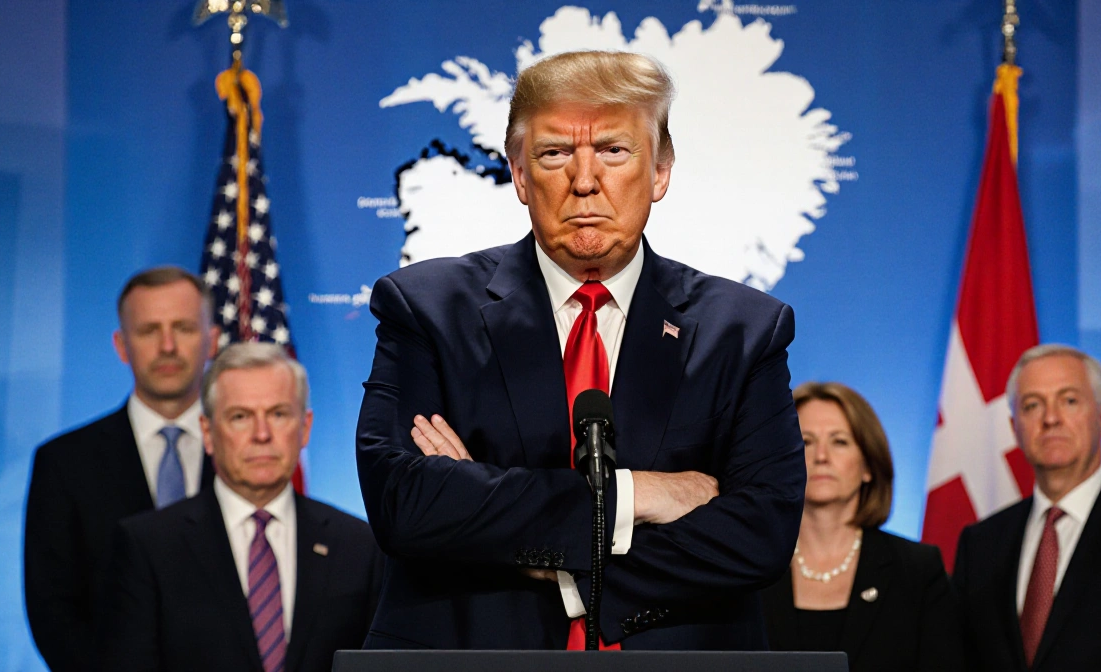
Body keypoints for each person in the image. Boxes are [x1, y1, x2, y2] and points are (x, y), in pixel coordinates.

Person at [356, 50, 806, 650]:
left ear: (661, 171)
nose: (585, 180)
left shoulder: (744, 329)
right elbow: (406, 503)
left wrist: (503, 528)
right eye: (555, 154)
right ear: (518, 174)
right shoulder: (426, 309)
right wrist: (639, 495)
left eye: (614, 151)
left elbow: (761, 533)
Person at [101, 343, 382, 671]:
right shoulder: (149, 546)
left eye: (278, 414)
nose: (261, 434)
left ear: (304, 427)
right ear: (207, 432)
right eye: (240, 416)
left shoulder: (359, 545)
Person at [24, 266, 219, 671]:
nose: (167, 346)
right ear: (121, 345)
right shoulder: (64, 463)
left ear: (212, 339)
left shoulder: (255, 452)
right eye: (149, 330)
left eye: (182, 327)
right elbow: (52, 608)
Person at [954, 344, 1101, 672]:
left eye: (1069, 400)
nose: (1050, 418)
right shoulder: (980, 544)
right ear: (1013, 428)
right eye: (1033, 405)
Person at [760, 382, 964, 671]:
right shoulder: (750, 569)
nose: (821, 457)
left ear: (868, 465)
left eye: (839, 441)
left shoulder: (917, 570)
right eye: (805, 442)